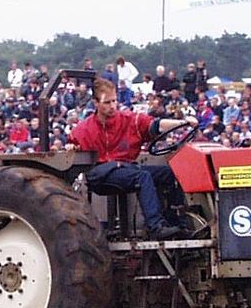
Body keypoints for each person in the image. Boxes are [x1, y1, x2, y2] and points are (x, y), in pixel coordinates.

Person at [68, 79, 198, 240]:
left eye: (114, 101)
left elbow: (156, 125)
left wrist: (183, 123)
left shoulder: (130, 120)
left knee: (169, 174)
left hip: (126, 168)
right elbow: (71, 147)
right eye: (107, 102)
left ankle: (176, 222)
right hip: (101, 174)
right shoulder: (83, 129)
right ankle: (155, 227)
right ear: (96, 103)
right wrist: (71, 148)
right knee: (142, 176)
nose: (112, 106)